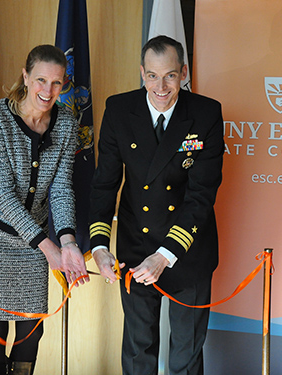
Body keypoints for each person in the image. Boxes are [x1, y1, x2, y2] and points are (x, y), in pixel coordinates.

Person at [89, 35, 224, 375]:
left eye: (170, 76)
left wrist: (165, 255)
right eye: (152, 75)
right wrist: (100, 245)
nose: (160, 87)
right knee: (138, 350)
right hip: (137, 245)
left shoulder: (206, 113)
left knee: (185, 355)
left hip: (188, 249)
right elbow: (105, 183)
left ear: (184, 72)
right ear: (141, 73)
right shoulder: (119, 110)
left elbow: (202, 194)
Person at [0, 44, 89, 375]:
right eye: (41, 80)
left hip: (34, 238)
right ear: (26, 76)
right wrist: (48, 247)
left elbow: (60, 190)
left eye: (57, 83)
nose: (48, 91)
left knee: (31, 330)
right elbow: (3, 194)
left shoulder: (66, 124)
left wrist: (69, 242)